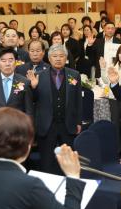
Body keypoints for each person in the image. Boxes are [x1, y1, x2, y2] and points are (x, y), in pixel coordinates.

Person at [27, 45, 82, 174]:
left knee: (68, 160)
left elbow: (78, 100)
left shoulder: (74, 75)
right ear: (49, 59)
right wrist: (33, 87)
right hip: (46, 124)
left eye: (61, 56)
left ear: (66, 59)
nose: (58, 59)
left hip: (67, 123)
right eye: (55, 56)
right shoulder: (39, 75)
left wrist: (78, 121)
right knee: (46, 161)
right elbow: (33, 100)